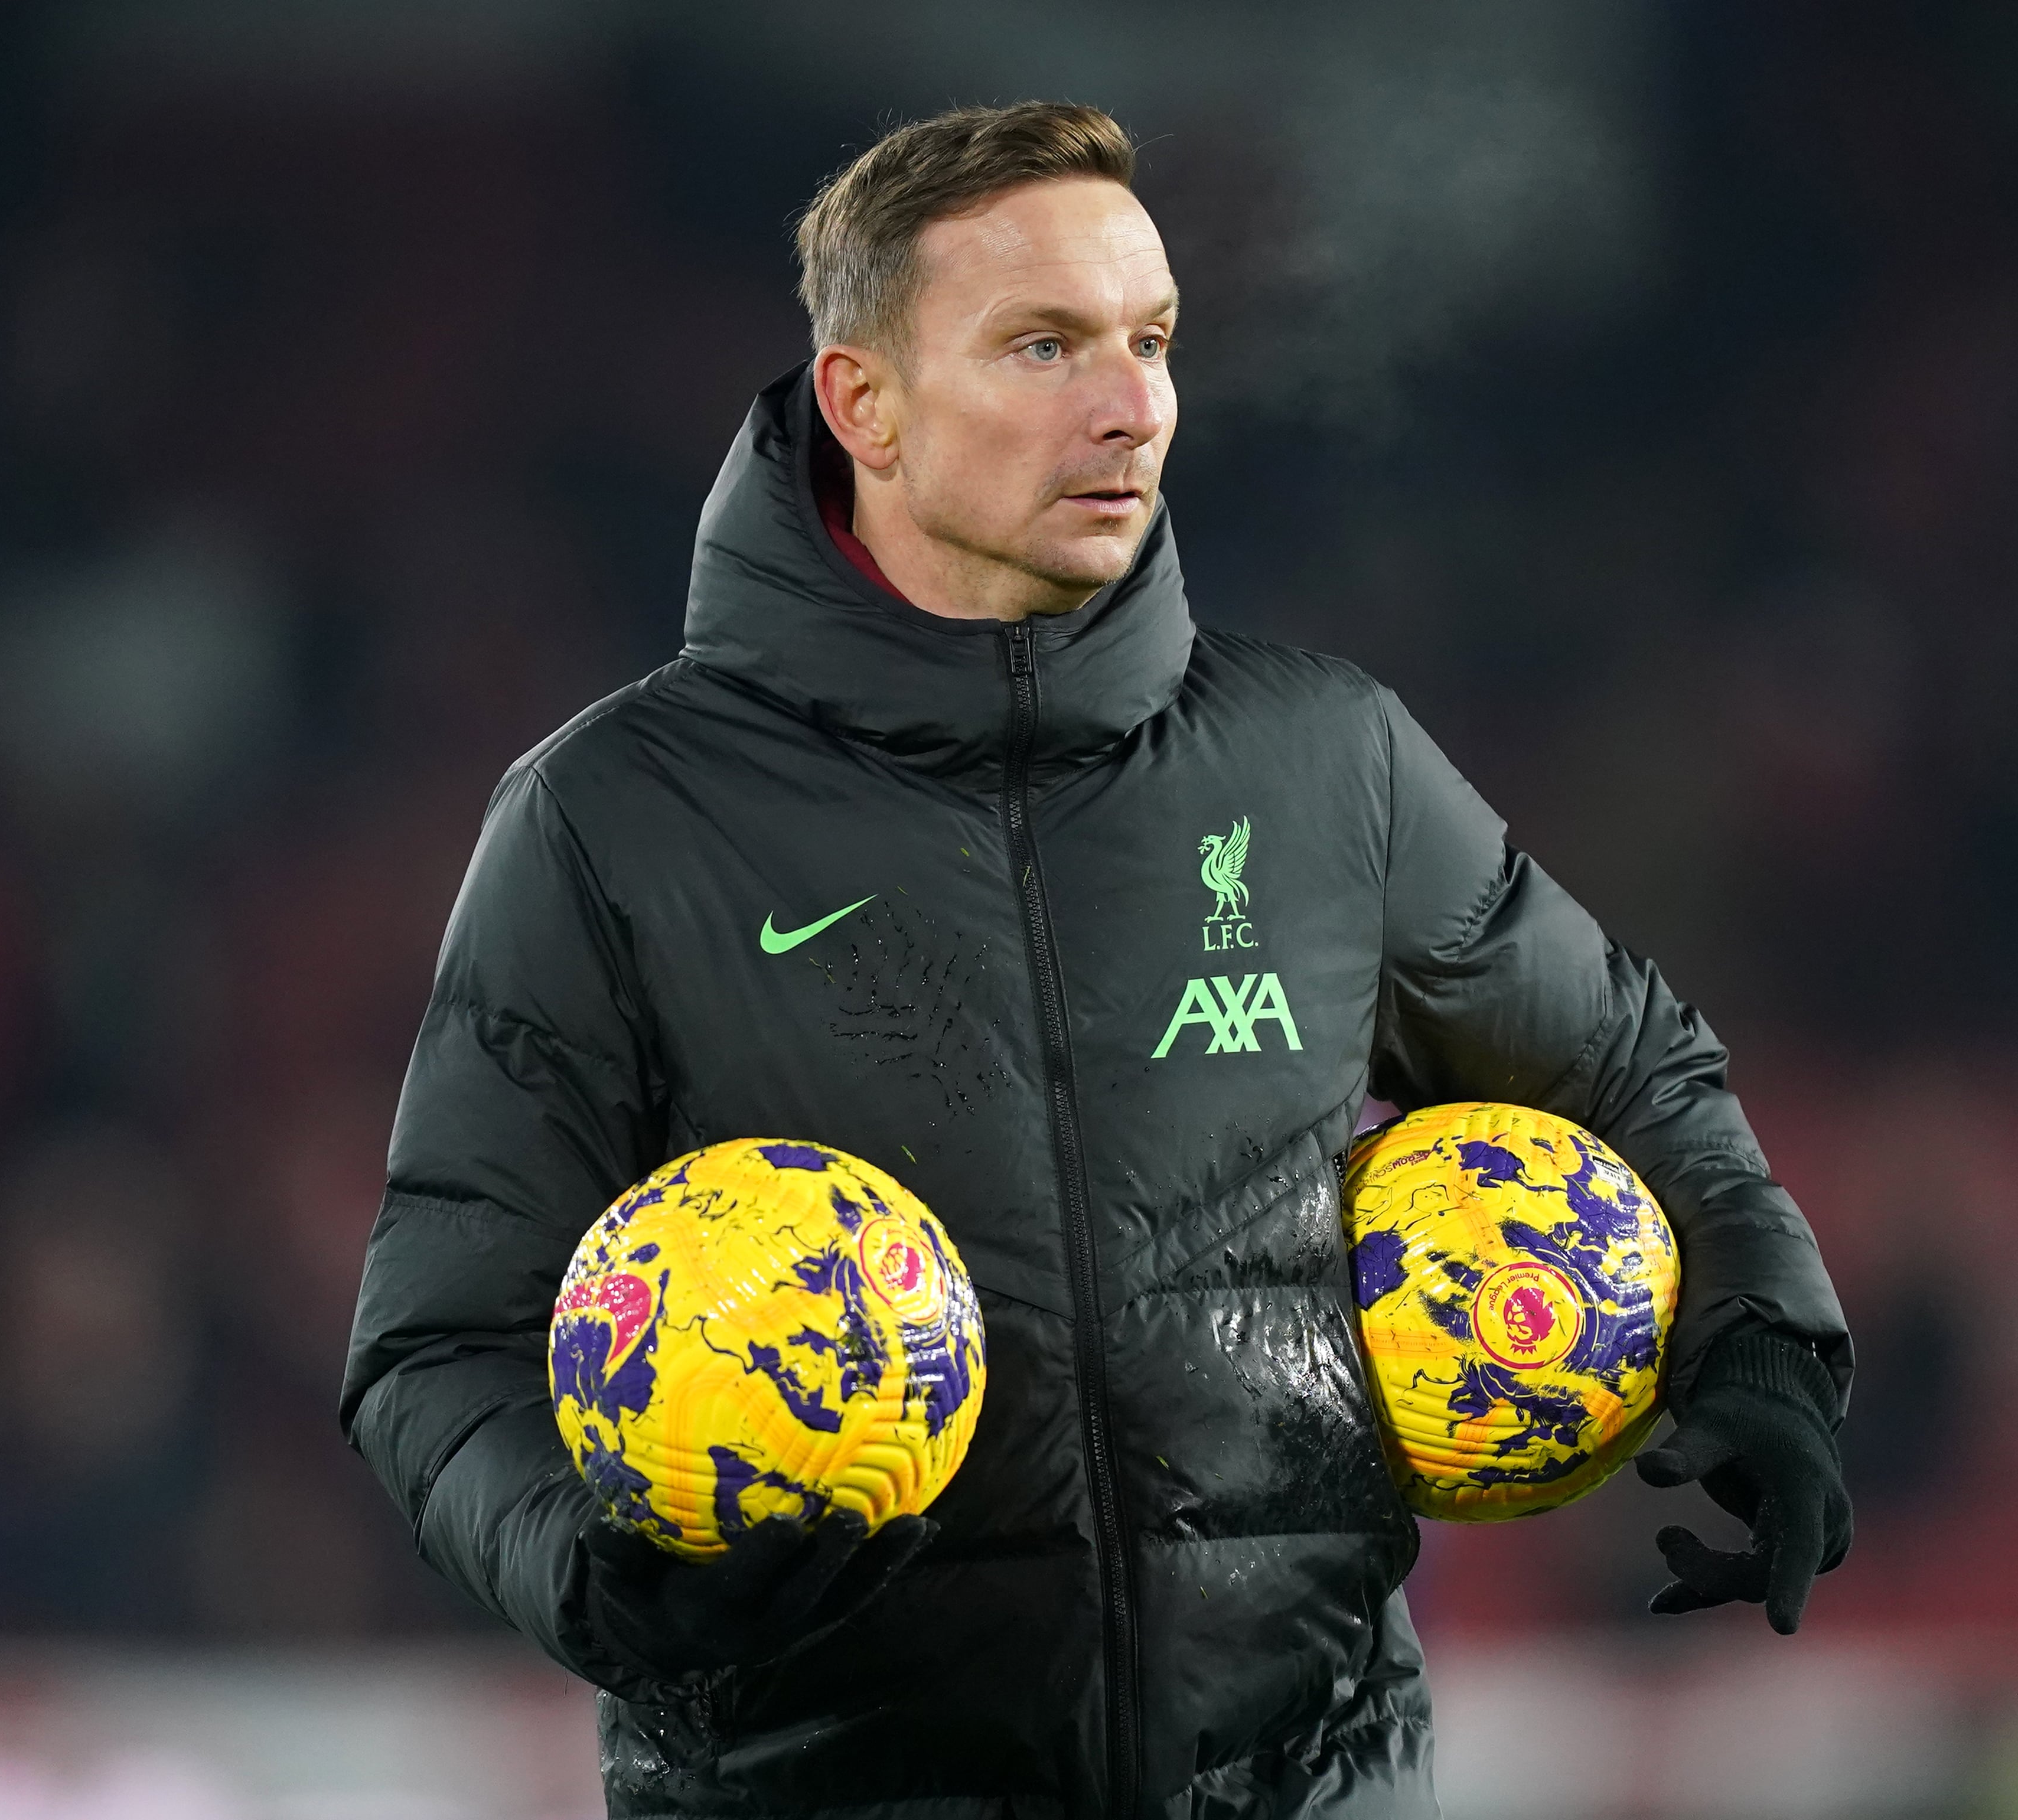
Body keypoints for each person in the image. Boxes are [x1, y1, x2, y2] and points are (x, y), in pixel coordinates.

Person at [340, 101, 1853, 1819]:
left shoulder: (1325, 760)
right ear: (866, 403)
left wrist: (1763, 1345)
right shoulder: (614, 817)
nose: (1130, 404)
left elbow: (1635, 1070)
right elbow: (440, 1344)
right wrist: (590, 1572)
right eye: (1044, 345)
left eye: (1151, 342)